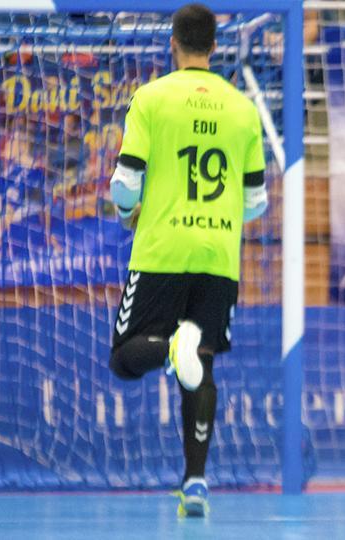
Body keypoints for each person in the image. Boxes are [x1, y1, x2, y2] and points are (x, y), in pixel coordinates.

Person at [107, 3, 268, 517]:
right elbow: (258, 201)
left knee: (126, 355)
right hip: (218, 254)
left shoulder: (151, 98)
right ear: (215, 47)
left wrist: (127, 213)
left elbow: (125, 184)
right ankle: (195, 484)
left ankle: (173, 344)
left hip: (161, 249)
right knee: (201, 367)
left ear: (171, 43)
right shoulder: (243, 108)